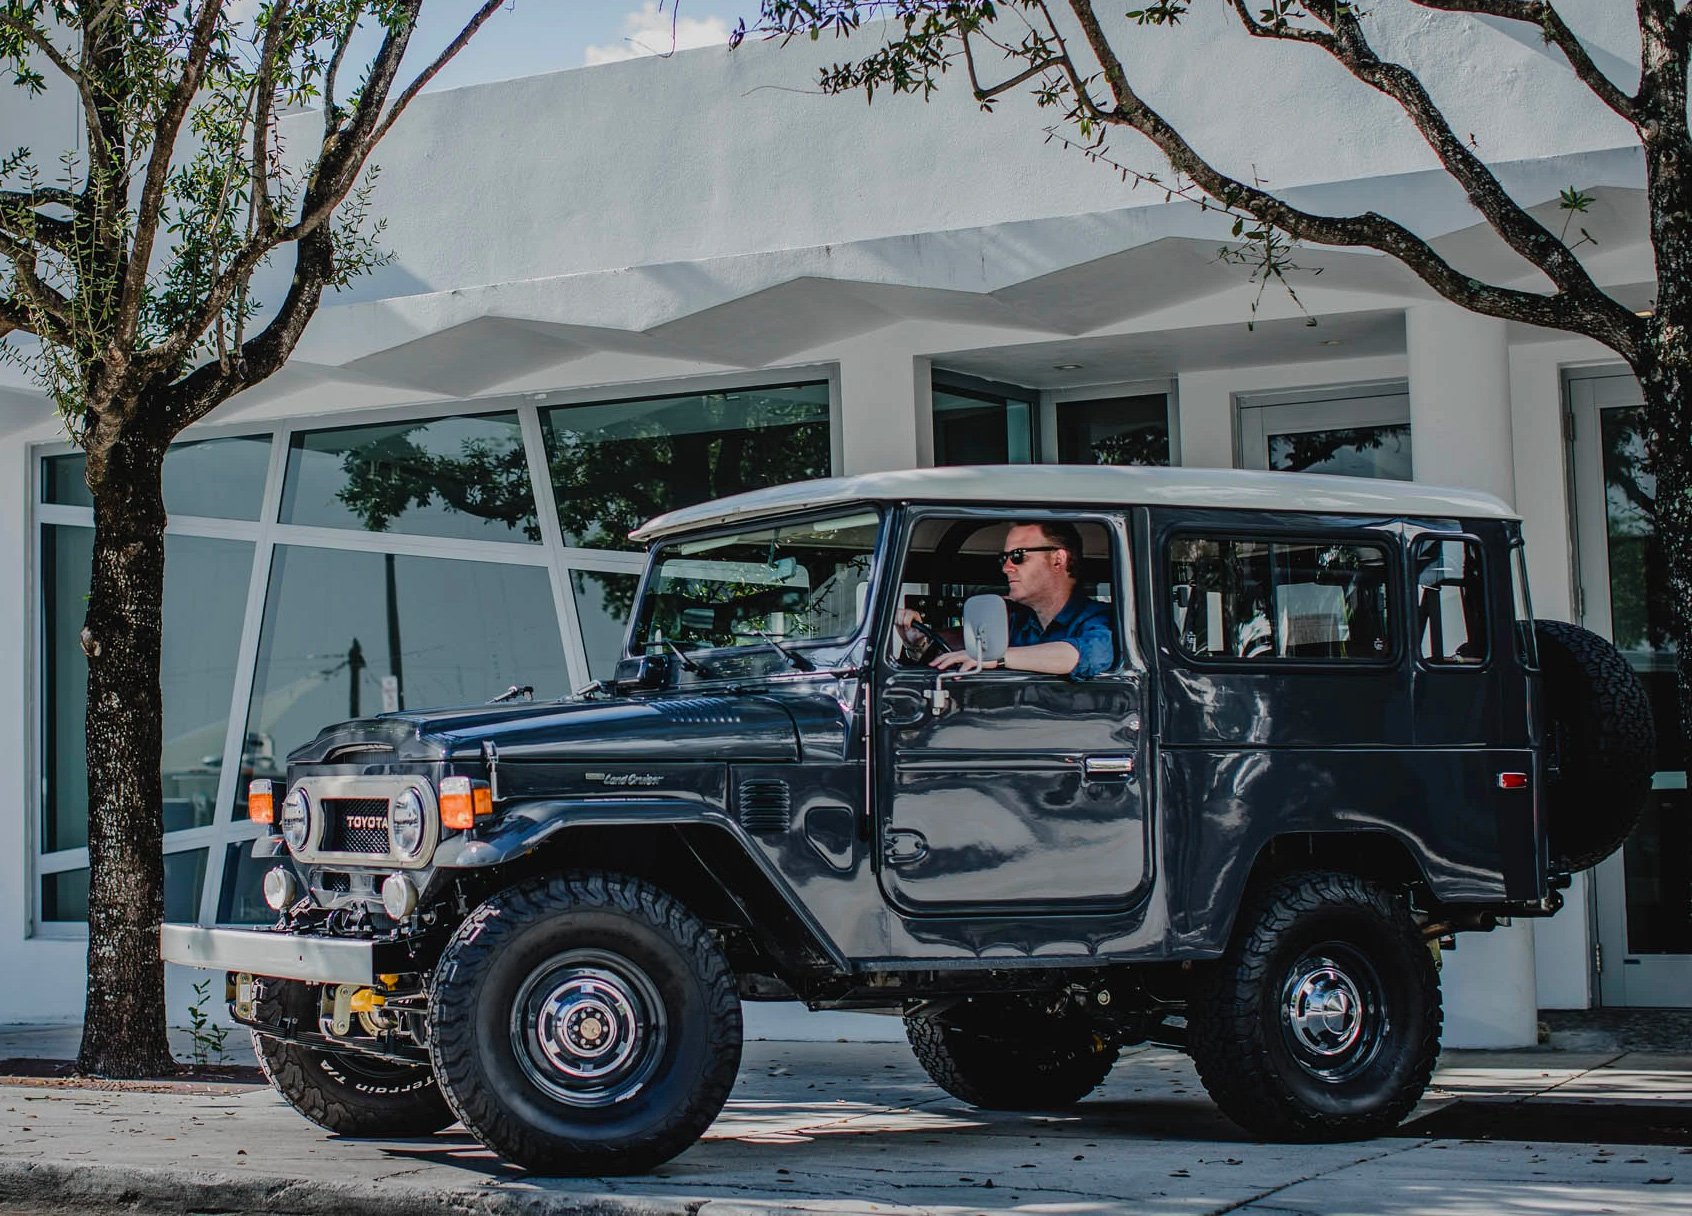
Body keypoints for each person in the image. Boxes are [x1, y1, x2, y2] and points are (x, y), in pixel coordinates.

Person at [898, 521, 1115, 677]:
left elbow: (1086, 656)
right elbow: (958, 649)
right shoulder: (1015, 623)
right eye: (1005, 558)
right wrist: (917, 643)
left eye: (1018, 556)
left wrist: (998, 658)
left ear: (1058, 559)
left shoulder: (1099, 618)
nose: (1006, 567)